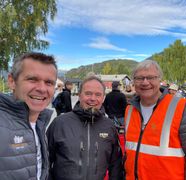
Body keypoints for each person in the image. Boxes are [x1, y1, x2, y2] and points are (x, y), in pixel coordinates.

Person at [124, 60, 186, 179]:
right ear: (133, 82)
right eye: (139, 78)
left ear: (160, 80)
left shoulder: (182, 108)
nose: (145, 82)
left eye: (151, 77)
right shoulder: (129, 110)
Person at [47, 75, 123, 180]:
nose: (93, 98)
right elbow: (44, 162)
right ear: (79, 95)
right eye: (88, 93)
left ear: (103, 97)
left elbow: (116, 165)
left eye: (98, 95)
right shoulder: (60, 123)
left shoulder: (109, 126)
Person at [0, 52, 57, 180]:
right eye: (32, 79)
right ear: (12, 81)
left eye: (49, 82)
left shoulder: (40, 124)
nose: (42, 89)